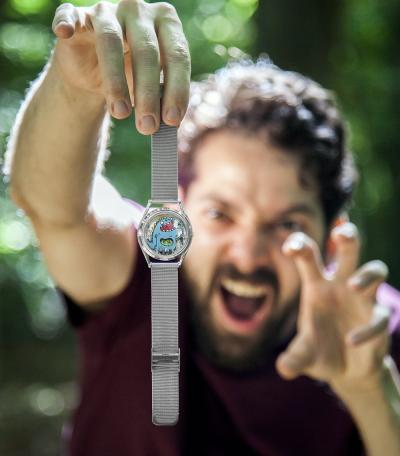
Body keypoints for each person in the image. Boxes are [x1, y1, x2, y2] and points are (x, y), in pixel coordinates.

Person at [5, 1, 400, 455]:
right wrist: (77, 86)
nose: (247, 255)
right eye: (220, 214)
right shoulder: (141, 275)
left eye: (287, 224)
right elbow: (53, 208)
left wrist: (370, 393)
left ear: (330, 241)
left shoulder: (374, 334)